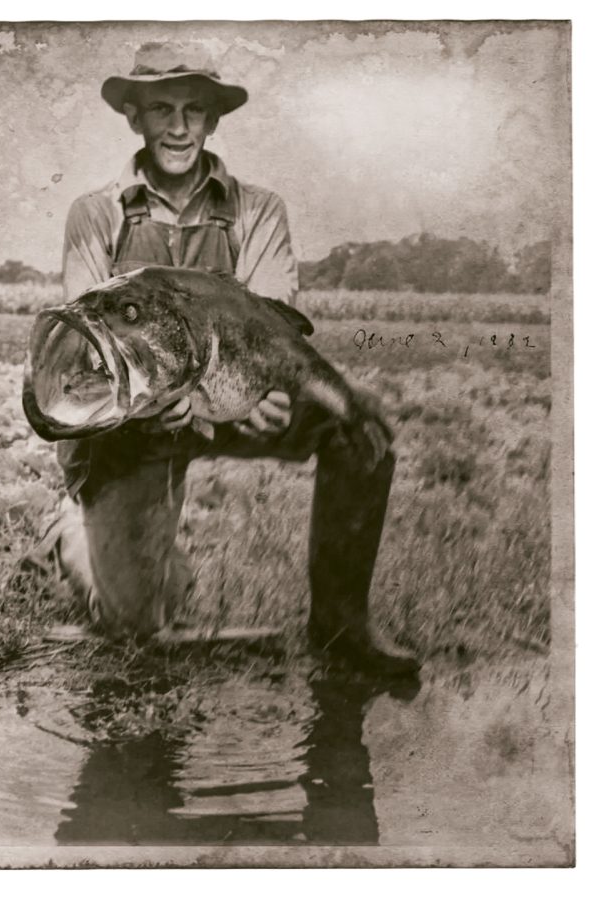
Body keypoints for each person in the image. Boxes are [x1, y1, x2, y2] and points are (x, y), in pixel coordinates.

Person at [35, 42, 417, 675]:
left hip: (232, 392)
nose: (178, 127)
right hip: (133, 424)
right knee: (138, 624)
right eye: (162, 108)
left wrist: (267, 394)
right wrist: (158, 405)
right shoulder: (96, 213)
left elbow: (272, 328)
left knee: (360, 426)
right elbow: (88, 345)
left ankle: (341, 626)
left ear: (213, 119)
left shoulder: (257, 210)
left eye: (194, 109)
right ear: (135, 116)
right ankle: (71, 535)